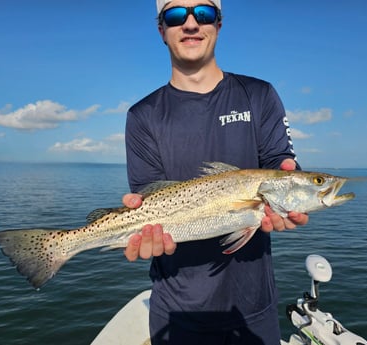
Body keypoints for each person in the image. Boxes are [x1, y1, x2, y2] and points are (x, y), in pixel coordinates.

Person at [121, 1, 308, 344]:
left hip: (256, 308)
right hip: (176, 312)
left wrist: (294, 189)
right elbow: (148, 193)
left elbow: (283, 165)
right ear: (161, 30)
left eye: (203, 13)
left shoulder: (259, 95)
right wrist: (139, 228)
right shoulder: (142, 115)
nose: (191, 23)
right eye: (176, 15)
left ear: (219, 25)